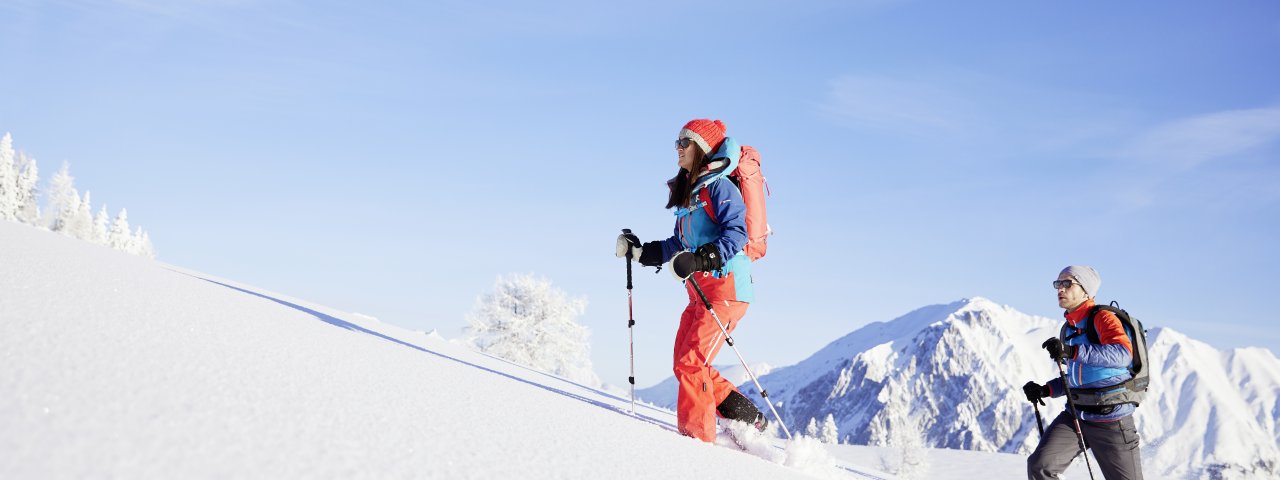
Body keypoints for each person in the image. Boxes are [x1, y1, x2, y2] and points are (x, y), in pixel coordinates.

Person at [615, 118, 766, 443]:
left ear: (703, 148)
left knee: (691, 362)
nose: (679, 149)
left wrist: (703, 258)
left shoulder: (719, 187)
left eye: (685, 142)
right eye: (677, 143)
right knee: (684, 362)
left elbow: (736, 233)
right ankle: (747, 419)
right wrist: (641, 253)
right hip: (701, 292)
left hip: (727, 288)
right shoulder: (693, 192)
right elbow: (677, 245)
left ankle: (695, 443)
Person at [1024, 266, 1143, 480]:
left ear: (1086, 291)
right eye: (1058, 284)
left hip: (1111, 418)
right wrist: (1046, 389)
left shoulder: (1102, 317)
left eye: (1067, 283)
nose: (1060, 288)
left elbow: (1123, 354)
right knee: (1039, 466)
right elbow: (1078, 379)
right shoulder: (1069, 328)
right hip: (1076, 415)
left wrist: (1071, 351)